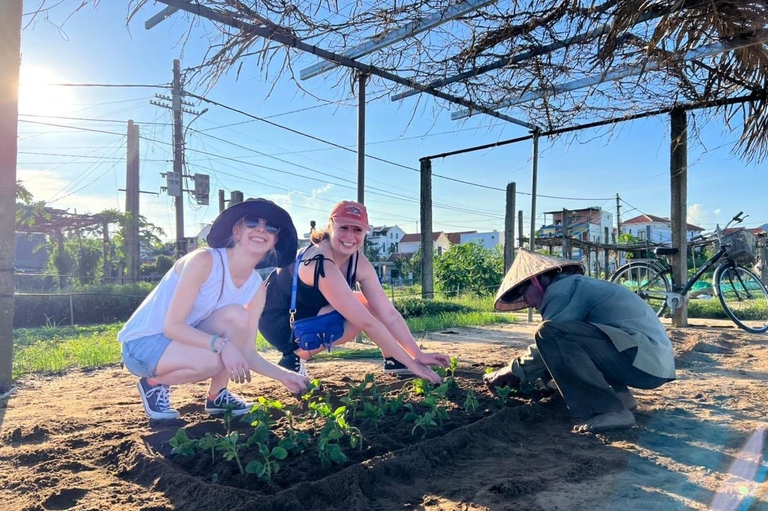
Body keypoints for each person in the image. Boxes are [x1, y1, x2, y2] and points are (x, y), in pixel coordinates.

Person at [118, 198, 309, 420]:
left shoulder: (256, 286)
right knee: (214, 360)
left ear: (275, 241)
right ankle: (153, 384)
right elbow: (172, 327)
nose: (260, 229)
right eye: (252, 222)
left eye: (271, 227)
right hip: (143, 345)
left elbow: (246, 352)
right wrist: (222, 345)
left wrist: (285, 376)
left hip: (184, 342)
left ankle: (217, 396)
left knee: (237, 315)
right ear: (236, 232)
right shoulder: (204, 260)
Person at [484, 250, 675, 433]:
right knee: (561, 341)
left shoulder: (561, 291)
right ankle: (621, 399)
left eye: (522, 293)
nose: (526, 301)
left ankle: (609, 410)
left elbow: (549, 342)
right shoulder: (573, 286)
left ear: (536, 280)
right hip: (650, 361)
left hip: (642, 359)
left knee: (549, 334)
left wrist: (512, 370)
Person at [260, 200, 450, 384]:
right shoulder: (320, 261)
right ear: (331, 226)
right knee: (361, 312)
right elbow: (365, 322)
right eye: (344, 228)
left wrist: (417, 355)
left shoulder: (358, 262)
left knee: (368, 303)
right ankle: (294, 358)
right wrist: (413, 365)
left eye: (357, 230)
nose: (350, 236)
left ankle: (394, 360)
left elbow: (388, 313)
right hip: (280, 322)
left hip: (309, 313)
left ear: (365, 232)